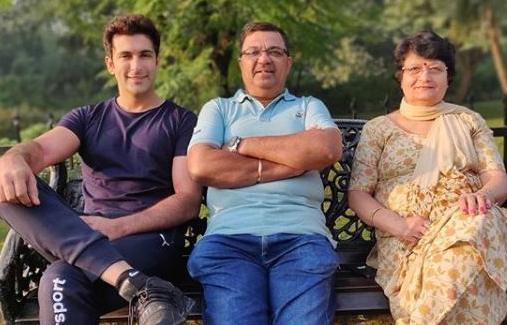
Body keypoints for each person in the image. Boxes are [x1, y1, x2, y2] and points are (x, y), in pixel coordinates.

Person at [0, 14, 201, 325]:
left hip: (150, 240)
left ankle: (134, 279)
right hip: (91, 241)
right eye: (126, 56)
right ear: (111, 64)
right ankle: (135, 284)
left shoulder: (180, 121)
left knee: (59, 276)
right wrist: (14, 157)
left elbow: (187, 201)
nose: (136, 66)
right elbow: (38, 150)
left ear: (157, 60)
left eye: (145, 55)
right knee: (58, 277)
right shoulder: (88, 118)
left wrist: (117, 227)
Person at [186, 21, 342, 325]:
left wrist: (240, 144)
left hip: (301, 239)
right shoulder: (219, 109)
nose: (264, 59)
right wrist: (292, 161)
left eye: (274, 51)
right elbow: (201, 165)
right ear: (241, 62)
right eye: (254, 52)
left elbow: (326, 149)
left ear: (288, 62)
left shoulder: (309, 106)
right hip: (229, 241)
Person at [348, 31, 507, 325]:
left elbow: (497, 178)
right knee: (461, 261)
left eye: (435, 68)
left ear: (448, 77)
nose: (425, 76)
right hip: (408, 237)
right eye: (415, 68)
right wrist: (397, 223)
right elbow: (358, 193)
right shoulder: (380, 129)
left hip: (470, 222)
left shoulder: (468, 121)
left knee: (472, 233)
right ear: (401, 76)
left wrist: (483, 196)